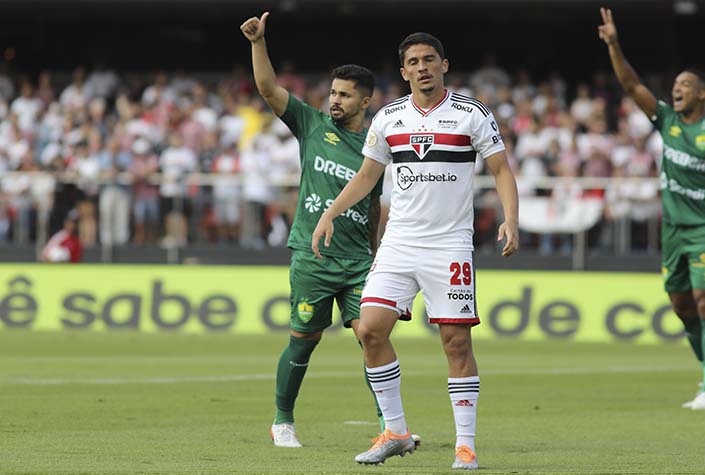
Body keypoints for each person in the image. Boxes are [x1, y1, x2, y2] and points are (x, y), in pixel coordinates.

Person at [312, 32, 519, 469]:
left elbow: (501, 169)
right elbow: (368, 176)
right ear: (404, 71)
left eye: (430, 59)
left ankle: (465, 445)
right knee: (368, 329)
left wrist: (510, 218)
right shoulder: (388, 118)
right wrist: (329, 213)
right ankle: (396, 431)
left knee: (456, 342)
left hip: (450, 245)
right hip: (399, 243)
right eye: (413, 62)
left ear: (444, 65)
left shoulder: (471, 114)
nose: (422, 67)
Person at [240, 11, 412, 448]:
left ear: (365, 102)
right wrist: (259, 43)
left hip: (359, 261)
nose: (335, 100)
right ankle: (282, 421)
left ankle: (392, 428)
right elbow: (267, 89)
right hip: (312, 256)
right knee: (304, 339)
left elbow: (376, 206)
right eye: (333, 92)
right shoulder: (312, 125)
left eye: (345, 95)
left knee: (370, 336)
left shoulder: (378, 146)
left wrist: (376, 254)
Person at [599, 7, 705, 410]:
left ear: (701, 94)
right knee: (681, 306)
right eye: (676, 83)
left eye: (686, 84)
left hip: (702, 230)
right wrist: (614, 44)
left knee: (702, 299)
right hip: (673, 232)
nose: (677, 88)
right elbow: (630, 83)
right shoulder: (666, 120)